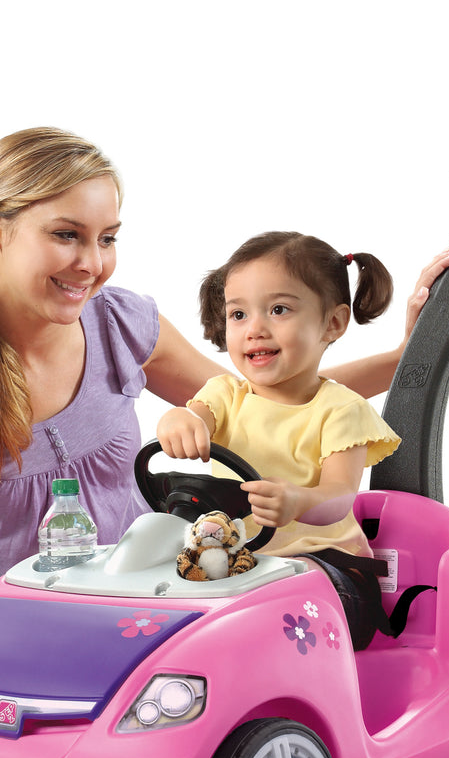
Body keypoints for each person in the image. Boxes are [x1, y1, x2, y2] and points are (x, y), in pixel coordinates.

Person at [0, 127, 449, 634]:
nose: (92, 264)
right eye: (66, 235)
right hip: (10, 634)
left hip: (144, 619)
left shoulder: (119, 325)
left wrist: (406, 355)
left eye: (106, 239)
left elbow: (269, 399)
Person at [157, 231, 416, 561]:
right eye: (239, 315)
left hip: (321, 557)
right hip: (241, 559)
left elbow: (339, 496)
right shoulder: (223, 394)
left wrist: (299, 502)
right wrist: (177, 419)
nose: (254, 330)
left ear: (333, 323)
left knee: (288, 587)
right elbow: (195, 417)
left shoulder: (342, 409)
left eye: (278, 310)